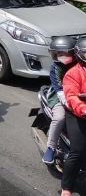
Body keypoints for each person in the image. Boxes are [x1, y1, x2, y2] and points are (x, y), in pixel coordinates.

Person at [44, 37, 77, 165]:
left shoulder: (79, 64)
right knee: (59, 118)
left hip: (77, 95)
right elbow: (59, 90)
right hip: (59, 96)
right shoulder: (55, 67)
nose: (61, 56)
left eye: (64, 53)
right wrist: (68, 104)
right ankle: (50, 148)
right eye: (58, 53)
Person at [61, 37, 86, 196]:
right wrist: (83, 109)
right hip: (77, 115)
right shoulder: (72, 74)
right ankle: (66, 187)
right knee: (78, 151)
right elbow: (72, 97)